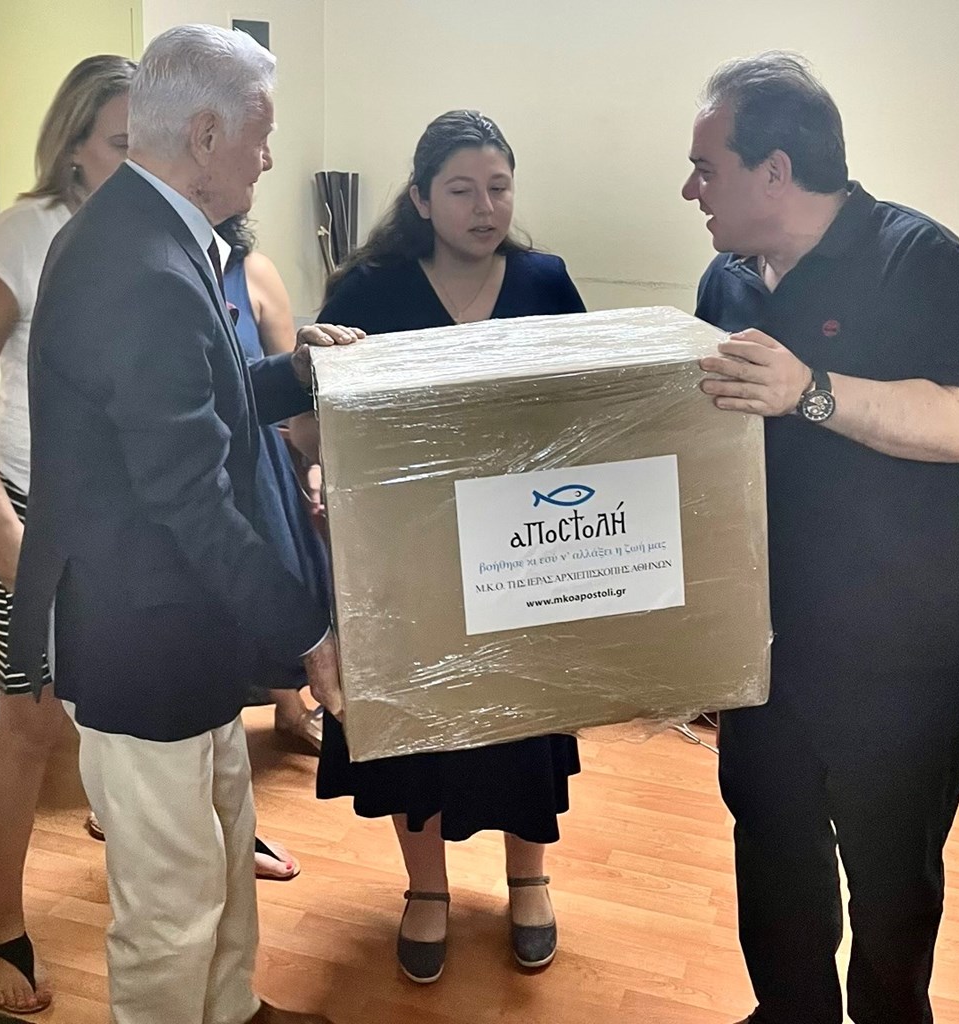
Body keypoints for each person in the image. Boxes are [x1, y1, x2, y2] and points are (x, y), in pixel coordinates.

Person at [9, 25, 357, 1024]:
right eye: (260, 135)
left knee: (224, 842)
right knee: (170, 902)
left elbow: (190, 397)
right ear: (205, 135)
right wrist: (309, 628)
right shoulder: (140, 266)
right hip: (141, 629)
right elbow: (190, 497)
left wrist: (298, 370)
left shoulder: (150, 232)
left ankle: (233, 1009)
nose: (269, 157)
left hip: (183, 618)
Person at [682, 52, 959, 1024]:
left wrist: (810, 391)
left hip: (905, 650)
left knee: (892, 878)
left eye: (707, 168)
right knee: (772, 852)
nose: (691, 189)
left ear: (775, 171)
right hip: (766, 646)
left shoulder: (922, 260)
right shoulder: (724, 281)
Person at [315, 109, 585, 984]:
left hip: (524, 546)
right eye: (462, 190)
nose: (484, 207)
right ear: (423, 199)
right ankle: (424, 889)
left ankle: (528, 879)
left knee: (524, 716)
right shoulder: (368, 290)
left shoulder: (544, 281)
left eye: (498, 188)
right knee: (417, 725)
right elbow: (317, 415)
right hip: (406, 554)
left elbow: (587, 410)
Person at [0, 55, 134, 1015]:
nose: (141, 161)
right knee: (28, 723)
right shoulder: (21, 238)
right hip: (37, 515)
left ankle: (146, 836)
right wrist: (2, 524)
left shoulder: (172, 232)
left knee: (145, 703)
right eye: (121, 142)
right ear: (73, 149)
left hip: (141, 519)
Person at [216, 214, 330, 760]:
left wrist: (311, 471)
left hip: (258, 464)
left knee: (279, 573)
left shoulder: (254, 271)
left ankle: (292, 707)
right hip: (197, 465)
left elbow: (295, 393)